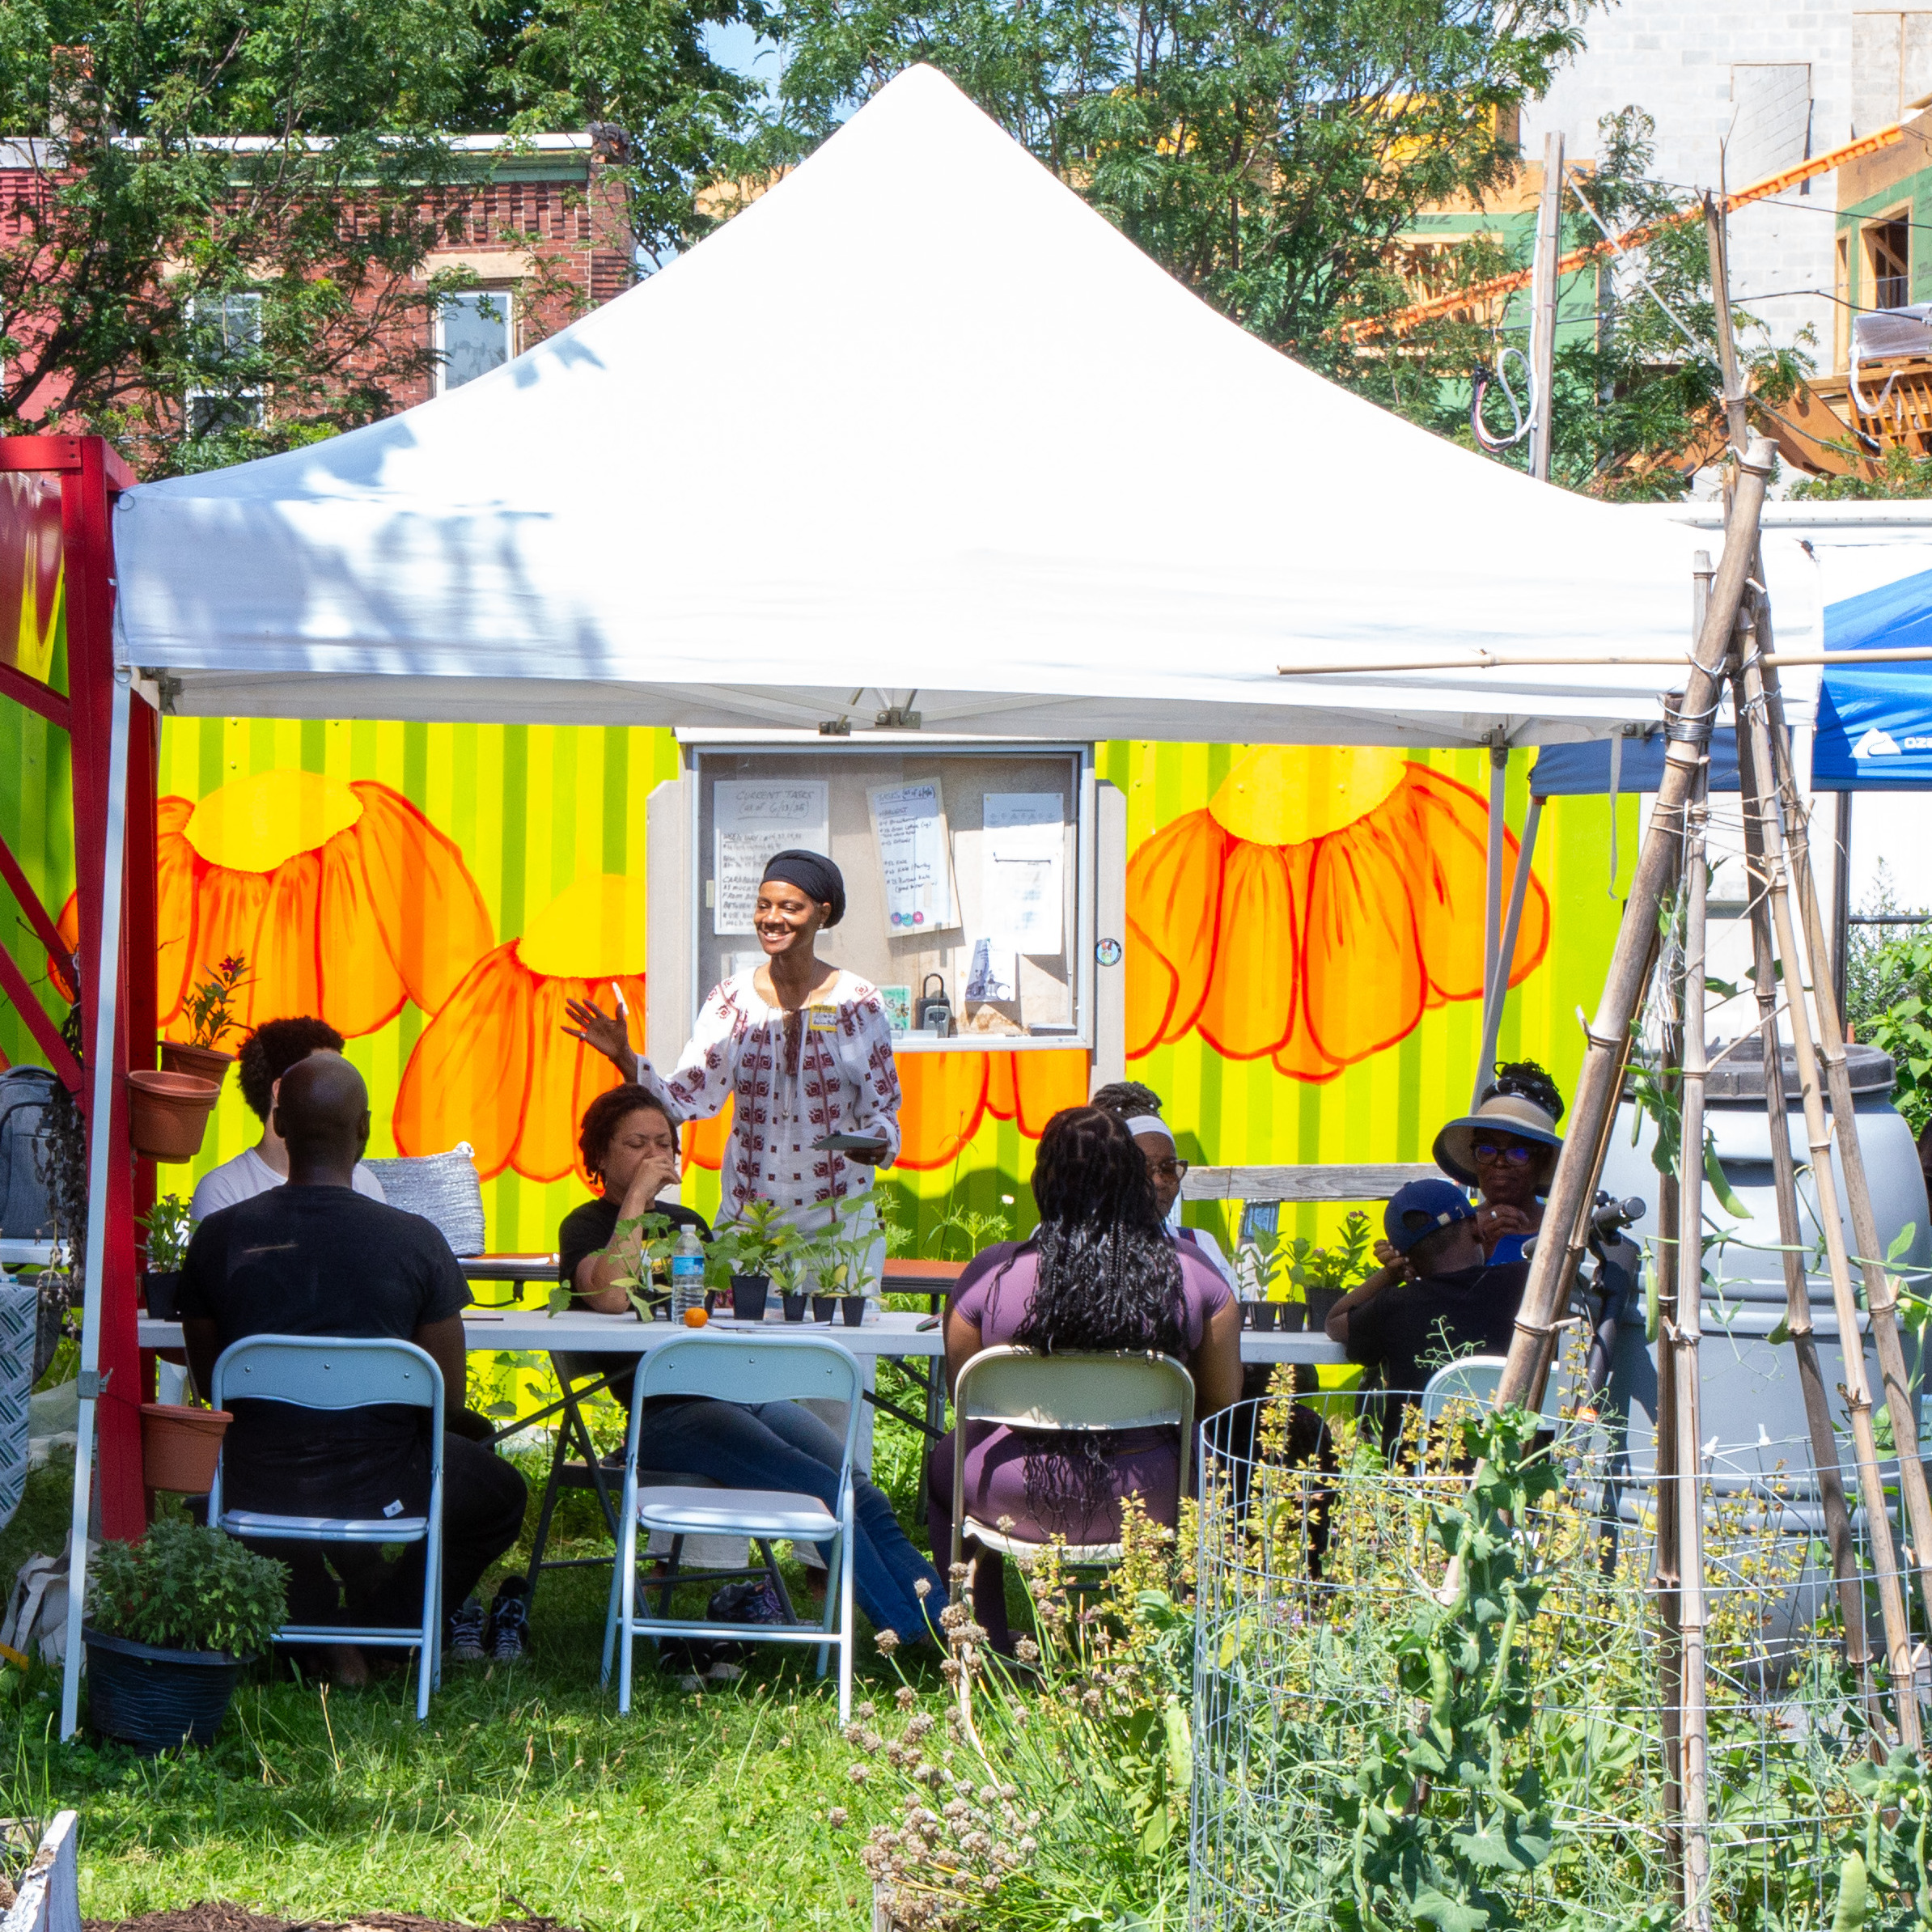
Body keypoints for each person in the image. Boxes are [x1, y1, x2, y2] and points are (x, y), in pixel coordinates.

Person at [178, 1056, 528, 1685]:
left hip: (257, 1478)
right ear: (364, 1130)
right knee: (502, 1498)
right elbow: (445, 1401)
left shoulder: (217, 1238)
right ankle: (385, 1632)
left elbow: (211, 1386)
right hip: (386, 1480)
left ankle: (318, 1633)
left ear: (278, 1122)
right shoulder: (418, 1241)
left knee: (228, 1488)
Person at [931, 1106, 1244, 1651]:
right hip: (1153, 1495)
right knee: (1212, 1461)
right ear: (1135, 1181)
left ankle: (987, 1647)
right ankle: (1179, 1650)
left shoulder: (991, 1276)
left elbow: (968, 1395)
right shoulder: (1195, 1275)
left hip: (1010, 1491)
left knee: (944, 1461)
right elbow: (1219, 1401)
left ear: (1041, 1182)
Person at [564, 849, 900, 1244]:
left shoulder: (858, 1002)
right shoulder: (732, 999)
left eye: (789, 907)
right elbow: (682, 1099)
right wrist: (623, 1054)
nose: (772, 918)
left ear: (822, 914)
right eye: (764, 905)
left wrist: (876, 1144)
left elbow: (883, 1111)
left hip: (840, 1231)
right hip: (747, 1227)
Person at [556, 1086, 714, 1410]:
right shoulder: (584, 1225)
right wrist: (637, 1197)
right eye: (636, 1145)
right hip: (662, 1403)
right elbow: (611, 1298)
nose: (654, 1155)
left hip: (719, 1383)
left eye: (664, 1144)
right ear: (601, 1155)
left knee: (831, 1455)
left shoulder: (689, 1224)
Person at [1326, 1178, 1529, 1411]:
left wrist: (1391, 1274)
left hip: (1420, 1446)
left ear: (1402, 1254)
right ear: (1476, 1227)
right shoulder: (1522, 1282)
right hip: (1516, 1443)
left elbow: (1334, 1322)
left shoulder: (1394, 1305)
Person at [189, 1016, 387, 1221]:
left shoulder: (364, 1182)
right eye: (326, 1078)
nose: (342, 1090)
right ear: (281, 1090)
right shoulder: (224, 1188)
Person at [1091, 1081, 1235, 1289]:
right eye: (1143, 1168)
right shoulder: (1067, 1247)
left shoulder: (1200, 1247)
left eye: (1168, 1169)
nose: (1159, 1182)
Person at [1428, 1062, 1566, 1265]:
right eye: (1486, 1150)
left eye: (1518, 1152)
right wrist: (1476, 1247)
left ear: (1544, 1160)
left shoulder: (1566, 1234)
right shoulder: (1451, 1234)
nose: (1500, 1163)